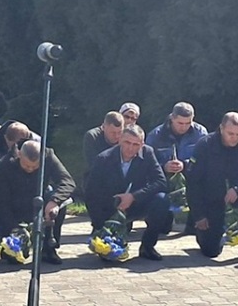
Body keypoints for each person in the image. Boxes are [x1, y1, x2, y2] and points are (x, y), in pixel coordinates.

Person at [81, 125, 171, 261]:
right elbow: (91, 193)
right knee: (108, 257)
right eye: (127, 143)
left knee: (162, 199)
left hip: (137, 203)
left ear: (142, 144)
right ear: (120, 141)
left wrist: (133, 196)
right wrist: (99, 224)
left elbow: (160, 182)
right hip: (111, 207)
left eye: (136, 144)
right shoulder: (103, 159)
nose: (130, 148)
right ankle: (108, 237)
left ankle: (147, 246)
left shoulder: (147, 153)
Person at [188, 113, 238, 261]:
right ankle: (205, 234)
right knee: (211, 251)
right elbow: (193, 182)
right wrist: (199, 215)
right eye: (230, 133)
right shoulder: (204, 145)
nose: (235, 137)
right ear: (221, 128)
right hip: (212, 198)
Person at [0, 138, 75, 263]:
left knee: (59, 206)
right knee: (15, 258)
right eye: (26, 165)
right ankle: (12, 247)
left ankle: (49, 249)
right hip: (13, 210)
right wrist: (12, 230)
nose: (30, 169)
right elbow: (1, 203)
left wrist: (55, 201)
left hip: (39, 205)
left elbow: (67, 181)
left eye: (35, 166)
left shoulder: (49, 156)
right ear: (19, 154)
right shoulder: (5, 166)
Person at [146, 103, 209, 203]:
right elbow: (146, 165)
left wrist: (185, 164)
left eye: (188, 123)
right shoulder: (155, 136)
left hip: (193, 183)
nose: (184, 127)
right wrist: (163, 167)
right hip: (164, 185)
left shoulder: (201, 133)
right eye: (180, 123)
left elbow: (206, 160)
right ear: (172, 118)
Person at [84, 111, 125, 177]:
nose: (117, 136)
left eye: (120, 132)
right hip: (97, 176)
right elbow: (94, 164)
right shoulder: (93, 136)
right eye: (113, 133)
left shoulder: (126, 137)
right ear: (103, 127)